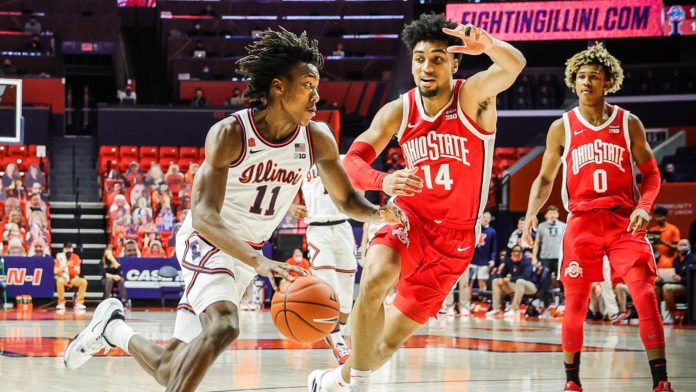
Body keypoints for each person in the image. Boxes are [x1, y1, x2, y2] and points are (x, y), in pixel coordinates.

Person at [64, 28, 405, 392]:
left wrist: (378, 213)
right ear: (278, 87)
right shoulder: (230, 134)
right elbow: (204, 216)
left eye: (317, 87)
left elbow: (348, 200)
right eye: (308, 85)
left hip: (247, 254)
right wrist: (260, 264)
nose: (317, 96)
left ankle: (113, 328)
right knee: (225, 325)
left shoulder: (317, 137)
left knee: (171, 366)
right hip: (207, 242)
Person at [309, 13, 525, 391]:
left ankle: (332, 382)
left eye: (438, 59)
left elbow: (515, 65)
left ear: (454, 63)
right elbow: (354, 162)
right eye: (420, 58)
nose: (427, 67)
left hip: (456, 241)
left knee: (388, 341)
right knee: (374, 279)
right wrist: (384, 180)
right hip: (409, 219)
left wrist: (489, 45)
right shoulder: (400, 109)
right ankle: (359, 386)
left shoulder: (473, 95)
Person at [522, 44, 672, 392]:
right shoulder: (562, 127)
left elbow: (652, 174)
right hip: (583, 222)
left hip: (624, 222)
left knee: (645, 296)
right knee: (574, 303)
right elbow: (545, 178)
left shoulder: (628, 122)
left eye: (594, 76)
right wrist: (532, 211)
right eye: (580, 77)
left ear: (608, 82)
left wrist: (644, 206)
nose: (586, 81)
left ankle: (660, 381)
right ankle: (572, 382)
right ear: (572, 82)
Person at [291, 154, 358, 365]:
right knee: (331, 287)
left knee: (347, 295)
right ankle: (337, 341)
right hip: (318, 230)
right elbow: (286, 191)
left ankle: (339, 335)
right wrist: (292, 207)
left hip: (343, 227)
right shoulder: (300, 162)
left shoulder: (345, 159)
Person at [487, 245, 536, 318]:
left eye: (518, 253)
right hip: (515, 285)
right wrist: (501, 278)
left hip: (530, 287)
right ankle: (496, 309)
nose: (516, 255)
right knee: (496, 281)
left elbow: (526, 277)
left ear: (521, 254)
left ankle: (514, 309)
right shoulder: (509, 261)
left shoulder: (526, 262)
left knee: (520, 281)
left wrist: (510, 279)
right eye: (514, 253)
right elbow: (501, 273)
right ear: (511, 254)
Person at [655, 239, 696, 324]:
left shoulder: (693, 259)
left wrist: (681, 279)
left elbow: (693, 278)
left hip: (688, 287)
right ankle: (657, 316)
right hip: (675, 284)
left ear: (689, 246)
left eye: (685, 245)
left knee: (667, 288)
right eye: (680, 245)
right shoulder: (676, 260)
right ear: (677, 247)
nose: (682, 247)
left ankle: (672, 315)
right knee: (655, 288)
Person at [532, 205, 566, 284]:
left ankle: (565, 296)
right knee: (544, 281)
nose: (552, 215)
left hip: (560, 258)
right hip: (545, 258)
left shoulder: (563, 226)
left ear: (558, 214)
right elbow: (537, 242)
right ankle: (545, 296)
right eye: (550, 213)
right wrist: (534, 257)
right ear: (546, 215)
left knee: (562, 281)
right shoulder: (541, 226)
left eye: (554, 213)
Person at [54, 243, 87, 310]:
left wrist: (72, 266)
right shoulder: (60, 257)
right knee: (59, 281)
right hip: (63, 277)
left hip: (73, 278)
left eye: (70, 248)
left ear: (72, 249)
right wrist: (65, 265)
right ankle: (61, 303)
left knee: (83, 281)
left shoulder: (76, 257)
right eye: (66, 248)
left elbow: (78, 271)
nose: (68, 250)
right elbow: (55, 271)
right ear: (63, 249)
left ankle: (79, 303)